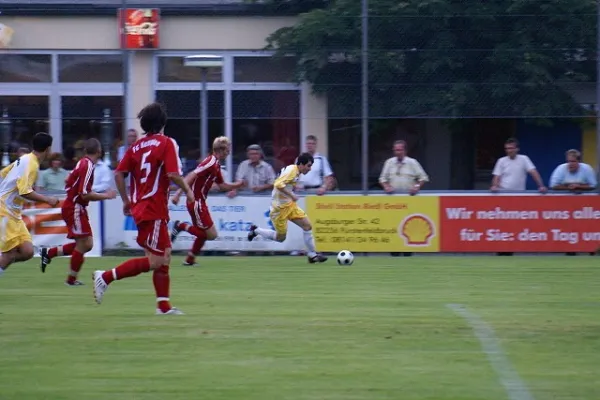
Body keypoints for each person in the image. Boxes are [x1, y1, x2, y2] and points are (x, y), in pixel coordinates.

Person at [92, 102, 195, 315]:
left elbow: (118, 174)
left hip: (141, 207)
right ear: (163, 123)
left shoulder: (135, 147)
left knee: (163, 255)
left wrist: (126, 200)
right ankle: (106, 277)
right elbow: (174, 174)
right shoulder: (167, 143)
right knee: (157, 260)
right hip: (153, 207)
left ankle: (163, 307)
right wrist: (188, 192)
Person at [40, 138, 117, 285]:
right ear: (99, 152)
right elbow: (84, 194)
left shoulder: (82, 162)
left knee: (85, 243)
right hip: (75, 207)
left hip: (75, 206)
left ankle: (49, 253)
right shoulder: (88, 165)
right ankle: (70, 280)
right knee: (85, 244)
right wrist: (106, 196)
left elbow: (68, 180)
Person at [170, 136, 244, 266]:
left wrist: (237, 185)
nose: (229, 152)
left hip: (199, 202)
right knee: (210, 235)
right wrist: (177, 194)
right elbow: (191, 176)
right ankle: (180, 226)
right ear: (221, 149)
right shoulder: (210, 162)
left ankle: (190, 260)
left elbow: (222, 186)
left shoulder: (216, 165)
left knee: (203, 232)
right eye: (228, 149)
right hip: (196, 202)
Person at [247, 153, 328, 264]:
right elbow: (278, 184)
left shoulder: (295, 171)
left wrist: (292, 191)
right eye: (308, 166)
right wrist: (292, 195)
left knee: (307, 226)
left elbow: (284, 183)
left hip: (289, 205)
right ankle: (256, 230)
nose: (310, 169)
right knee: (280, 238)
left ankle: (312, 255)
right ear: (301, 164)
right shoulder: (292, 171)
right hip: (279, 209)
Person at [0, 132, 59, 277]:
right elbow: (24, 192)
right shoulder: (31, 164)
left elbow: (3, 173)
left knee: (27, 252)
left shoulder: (24, 159)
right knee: (8, 255)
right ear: (48, 149)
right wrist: (47, 199)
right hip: (5, 211)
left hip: (14, 213)